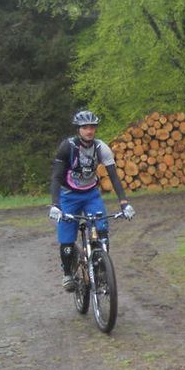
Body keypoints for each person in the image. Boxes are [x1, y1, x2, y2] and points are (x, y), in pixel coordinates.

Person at [48, 110, 135, 290]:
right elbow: (56, 177)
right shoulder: (67, 147)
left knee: (102, 228)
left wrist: (124, 203)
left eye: (92, 127)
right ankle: (67, 274)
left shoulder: (101, 148)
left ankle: (101, 267)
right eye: (85, 127)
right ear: (78, 129)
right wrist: (55, 205)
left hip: (90, 195)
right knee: (66, 240)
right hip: (68, 196)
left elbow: (114, 177)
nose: (89, 131)